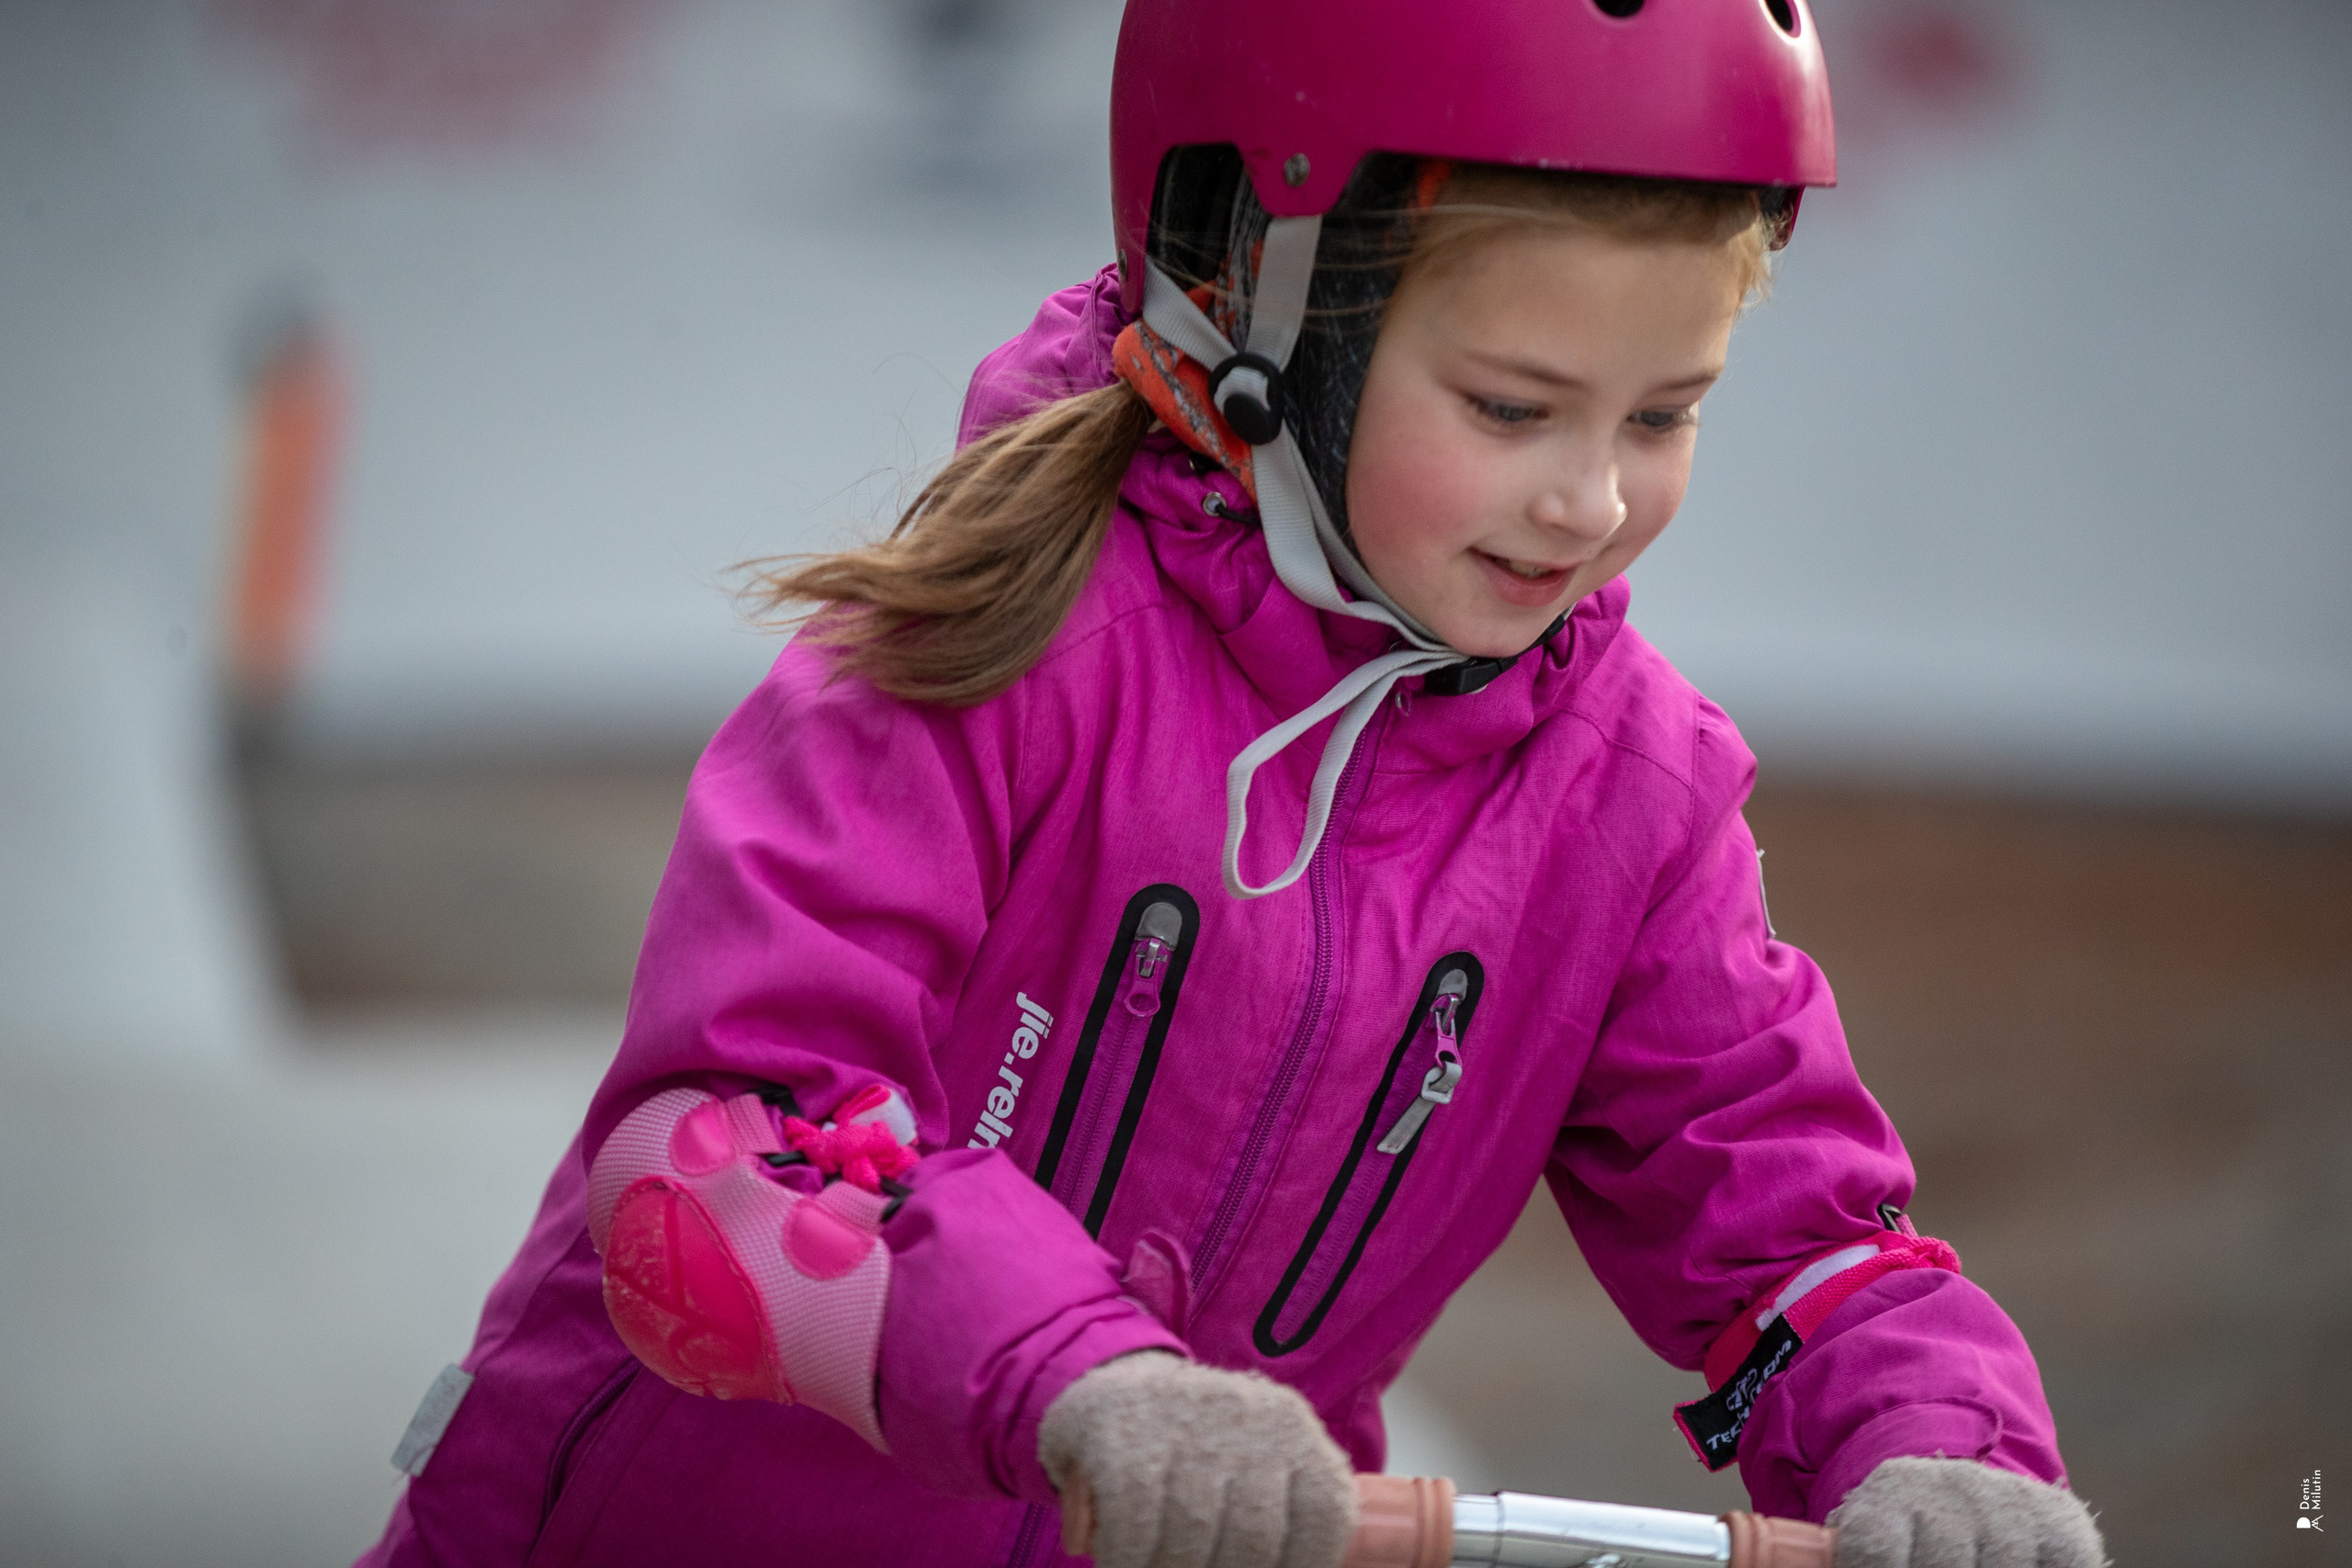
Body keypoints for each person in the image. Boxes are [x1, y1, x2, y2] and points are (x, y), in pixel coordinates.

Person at [358, 3, 2108, 1565]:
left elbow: (1785, 1229)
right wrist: (1082, 1378)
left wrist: (1939, 1447)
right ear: (1254, 317)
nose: (1591, 500)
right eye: (1513, 409)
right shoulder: (996, 644)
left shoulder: (1628, 806)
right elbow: (715, 1158)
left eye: (1665, 415)